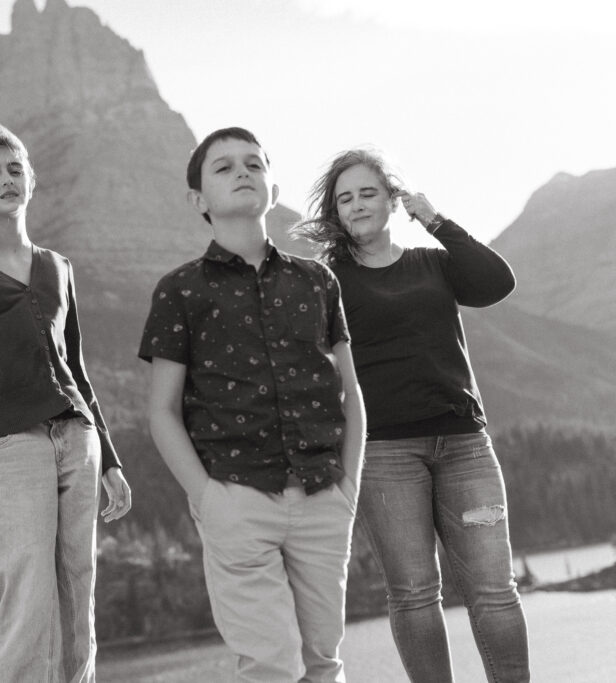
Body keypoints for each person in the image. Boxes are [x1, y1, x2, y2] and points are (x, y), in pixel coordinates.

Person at [139, 127, 365, 682]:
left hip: (322, 497)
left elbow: (351, 391)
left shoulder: (318, 281)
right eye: (223, 167)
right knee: (270, 665)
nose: (242, 173)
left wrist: (349, 486)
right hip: (236, 500)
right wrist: (206, 497)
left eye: (253, 164)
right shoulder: (180, 290)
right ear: (198, 201)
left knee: (324, 662)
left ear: (273, 185)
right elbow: (162, 411)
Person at [294, 148, 529, 682]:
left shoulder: (434, 263)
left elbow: (496, 283)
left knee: (495, 591)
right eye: (345, 197)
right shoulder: (326, 281)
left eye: (368, 192)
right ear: (336, 212)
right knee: (416, 594)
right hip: (383, 454)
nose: (356, 205)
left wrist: (435, 219)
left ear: (392, 199)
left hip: (465, 446)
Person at [0, 120, 132, 682]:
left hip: (77, 439)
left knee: (77, 594)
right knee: (23, 601)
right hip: (3, 447)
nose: (6, 179)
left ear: (32, 182)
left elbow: (79, 373)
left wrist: (109, 458)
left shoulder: (57, 267)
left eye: (16, 169)